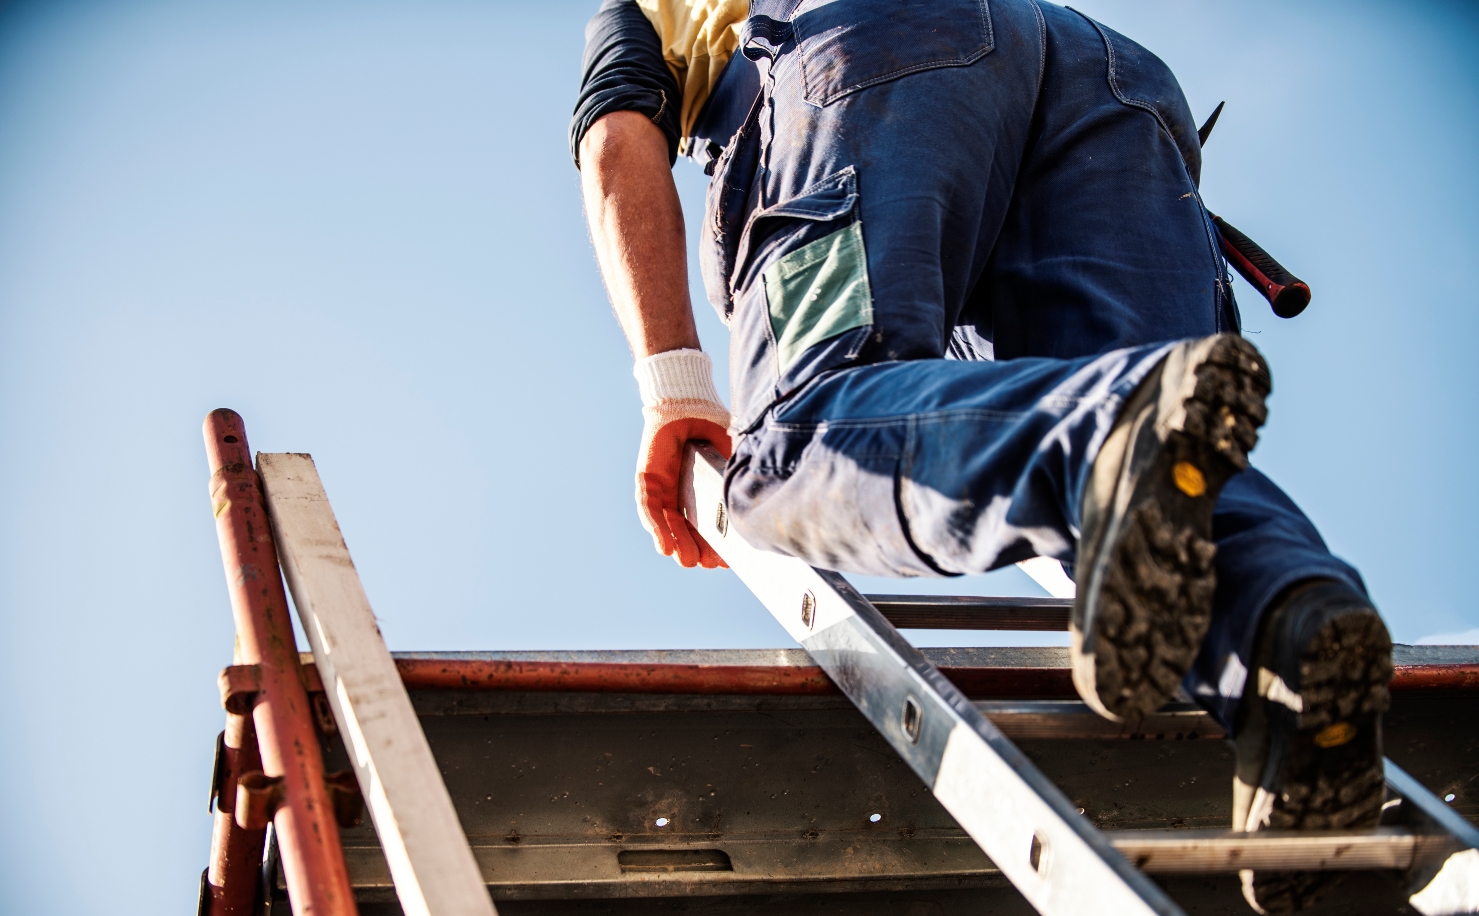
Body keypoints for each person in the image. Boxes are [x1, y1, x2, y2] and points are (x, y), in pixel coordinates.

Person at [571, 1, 1393, 911]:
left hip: (870, 51)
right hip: (1107, 83)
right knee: (1162, 471)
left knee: (799, 439)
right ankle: (1292, 644)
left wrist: (674, 387)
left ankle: (1100, 432)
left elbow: (615, 136)